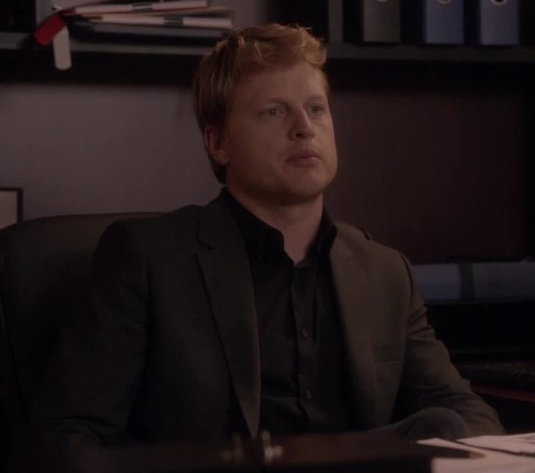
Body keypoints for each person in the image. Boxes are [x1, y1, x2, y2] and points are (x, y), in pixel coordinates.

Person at [24, 23, 504, 453]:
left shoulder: (384, 271)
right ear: (218, 142)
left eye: (316, 109)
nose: (304, 128)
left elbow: (464, 410)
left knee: (443, 424)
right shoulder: (147, 258)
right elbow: (68, 436)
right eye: (275, 112)